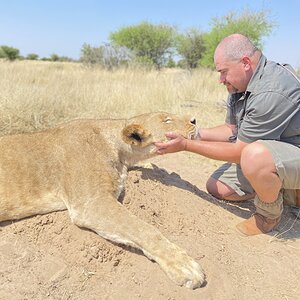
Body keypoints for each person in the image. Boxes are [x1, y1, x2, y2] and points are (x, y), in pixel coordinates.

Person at [155, 33, 300, 236]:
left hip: (293, 151)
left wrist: (186, 146)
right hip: (273, 150)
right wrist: (192, 135)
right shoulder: (240, 84)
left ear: (246, 63)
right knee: (219, 188)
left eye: (223, 72)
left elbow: (239, 151)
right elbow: (231, 130)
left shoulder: (271, 90)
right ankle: (278, 188)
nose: (220, 79)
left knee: (253, 157)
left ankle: (269, 215)